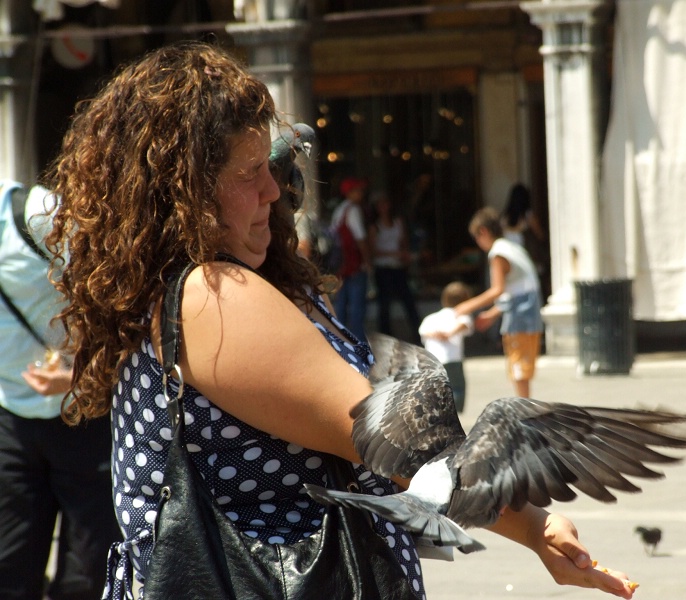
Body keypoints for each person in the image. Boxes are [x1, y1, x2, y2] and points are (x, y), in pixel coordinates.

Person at [43, 42, 636, 600]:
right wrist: (536, 521)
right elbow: (396, 448)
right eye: (249, 173)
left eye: (271, 166)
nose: (274, 190)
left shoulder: (214, 288)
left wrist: (536, 529)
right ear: (184, 192)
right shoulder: (212, 294)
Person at [0, 180, 120, 600]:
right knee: (9, 567)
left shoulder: (35, 214)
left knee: (87, 572)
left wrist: (78, 375)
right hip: (9, 418)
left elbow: (115, 296)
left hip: (79, 412)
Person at [455, 207, 544, 399]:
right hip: (529, 313)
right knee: (522, 366)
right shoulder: (513, 247)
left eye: (477, 238)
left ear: (483, 232)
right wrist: (493, 313)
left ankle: (524, 413)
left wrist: (466, 306)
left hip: (520, 317)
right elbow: (516, 290)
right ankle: (524, 409)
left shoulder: (498, 253)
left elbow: (498, 290)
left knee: (518, 367)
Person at [368, 191, 421, 344]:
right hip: (383, 268)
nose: (383, 207)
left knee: (408, 302)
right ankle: (385, 338)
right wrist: (395, 253)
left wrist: (404, 256)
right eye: (380, 205)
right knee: (384, 304)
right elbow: (373, 251)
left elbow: (404, 242)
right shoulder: (375, 227)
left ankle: (417, 335)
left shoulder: (398, 222)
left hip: (398, 267)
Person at [418, 281, 474, 413]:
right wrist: (450, 333)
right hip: (452, 358)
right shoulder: (461, 316)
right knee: (457, 386)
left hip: (432, 359)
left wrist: (435, 334)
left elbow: (423, 331)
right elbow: (465, 324)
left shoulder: (431, 318)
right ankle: (454, 410)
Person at [330, 176, 371, 342]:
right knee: (356, 307)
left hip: (342, 265)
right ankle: (358, 343)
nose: (361, 193)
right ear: (350, 193)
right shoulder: (353, 210)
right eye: (358, 190)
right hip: (354, 265)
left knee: (341, 305)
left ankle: (340, 342)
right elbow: (360, 238)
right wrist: (367, 260)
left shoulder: (339, 210)